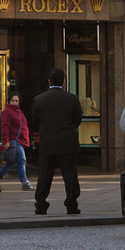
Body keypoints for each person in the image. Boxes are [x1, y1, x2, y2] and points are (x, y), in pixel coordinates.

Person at [32, 69, 83, 215]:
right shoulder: (72, 99)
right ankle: (71, 204)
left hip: (48, 143)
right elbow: (78, 120)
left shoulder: (39, 99)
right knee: (70, 175)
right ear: (63, 82)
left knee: (45, 175)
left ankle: (41, 205)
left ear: (49, 81)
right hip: (68, 142)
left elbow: (35, 122)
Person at [0, 92, 35, 191]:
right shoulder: (7, 111)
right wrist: (6, 140)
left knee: (12, 163)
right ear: (9, 101)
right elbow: (5, 126)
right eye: (13, 101)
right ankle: (24, 183)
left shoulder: (18, 111)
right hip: (14, 140)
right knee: (22, 161)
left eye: (16, 101)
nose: (14, 103)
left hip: (18, 140)